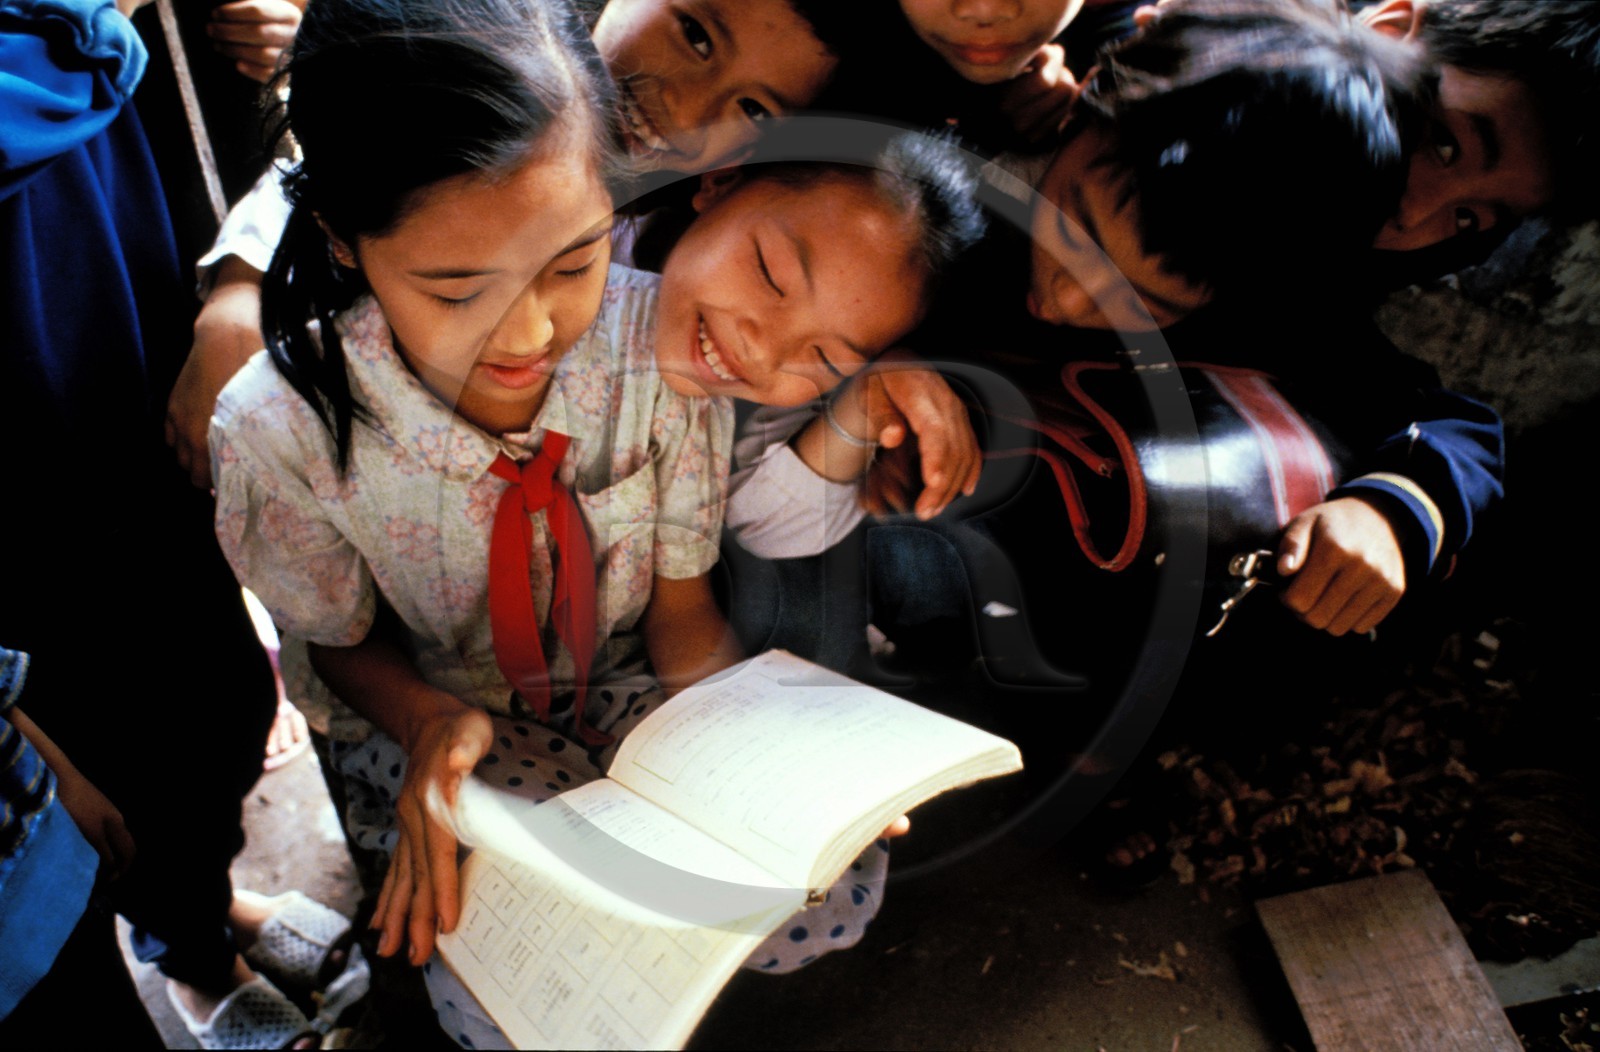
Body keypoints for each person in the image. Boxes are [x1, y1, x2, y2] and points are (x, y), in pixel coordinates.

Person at [208, 0, 896, 1043]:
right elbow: (342, 649)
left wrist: (770, 763)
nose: (530, 330)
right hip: (430, 721)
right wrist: (433, 720)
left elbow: (680, 615)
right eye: (457, 288)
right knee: (512, 973)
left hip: (614, 685)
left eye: (572, 263)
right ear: (348, 240)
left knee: (826, 886)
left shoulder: (657, 351)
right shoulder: (279, 430)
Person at [0, 0, 355, 1044]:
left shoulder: (76, 44)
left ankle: (199, 919)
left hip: (133, 345)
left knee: (208, 697)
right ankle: (190, 957)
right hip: (18, 533)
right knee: (83, 763)